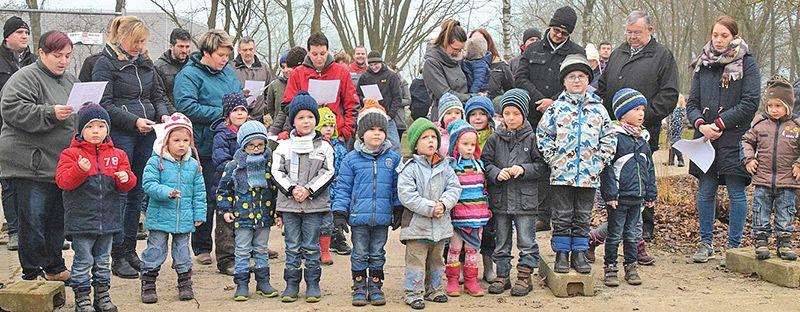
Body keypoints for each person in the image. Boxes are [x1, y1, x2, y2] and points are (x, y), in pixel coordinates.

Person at [92, 15, 170, 279]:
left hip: (147, 133)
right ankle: (116, 253)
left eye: (143, 41)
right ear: (121, 38)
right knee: (120, 193)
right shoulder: (105, 64)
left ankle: (129, 248)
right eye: (135, 41)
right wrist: (134, 121)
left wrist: (164, 116)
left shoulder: (146, 64)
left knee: (138, 191)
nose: (139, 46)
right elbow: (105, 103)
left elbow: (157, 96)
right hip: (122, 134)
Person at [0, 30, 76, 281]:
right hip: (30, 163)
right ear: (41, 53)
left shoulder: (69, 80)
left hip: (60, 164)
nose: (63, 61)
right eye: (57, 55)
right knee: (32, 220)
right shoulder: (24, 78)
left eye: (67, 56)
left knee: (57, 220)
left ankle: (54, 266)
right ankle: (32, 272)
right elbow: (12, 110)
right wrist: (50, 113)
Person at [597, 11, 679, 242]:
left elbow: (669, 94)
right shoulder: (618, 53)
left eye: (637, 32)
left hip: (644, 131)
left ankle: (643, 227)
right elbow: (603, 87)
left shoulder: (662, 56)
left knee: (641, 176)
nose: (632, 37)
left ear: (650, 31)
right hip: (614, 130)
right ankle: (614, 223)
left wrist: (645, 116)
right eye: (629, 32)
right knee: (615, 176)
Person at [686, 16, 760, 263]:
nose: (718, 40)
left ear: (734, 36)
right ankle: (705, 243)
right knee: (706, 190)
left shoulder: (747, 63)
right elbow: (692, 103)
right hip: (705, 139)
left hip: (735, 137)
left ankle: (734, 247)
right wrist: (701, 125)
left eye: (724, 36)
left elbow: (750, 102)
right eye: (715, 35)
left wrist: (720, 123)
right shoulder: (702, 64)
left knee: (735, 190)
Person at [537, 54, 616, 275]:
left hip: (589, 175)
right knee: (562, 215)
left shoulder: (598, 109)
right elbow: (543, 135)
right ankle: (562, 253)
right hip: (562, 174)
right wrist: (553, 158)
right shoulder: (555, 109)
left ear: (587, 80)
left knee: (582, 214)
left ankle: (579, 253)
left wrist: (600, 160)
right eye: (571, 76)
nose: (576, 80)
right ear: (564, 81)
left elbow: (609, 136)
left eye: (581, 76)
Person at [55, 103, 136, 312]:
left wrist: (125, 178)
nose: (95, 131)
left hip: (109, 220)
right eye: (90, 127)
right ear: (81, 130)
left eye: (101, 126)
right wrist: (79, 170)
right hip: (81, 220)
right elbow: (63, 181)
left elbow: (129, 183)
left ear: (107, 129)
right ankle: (82, 300)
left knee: (102, 261)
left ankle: (102, 297)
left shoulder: (118, 155)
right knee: (83, 261)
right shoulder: (70, 154)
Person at [173, 29, 242, 271]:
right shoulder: (189, 75)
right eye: (220, 55)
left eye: (227, 55)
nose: (224, 59)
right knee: (205, 196)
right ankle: (202, 246)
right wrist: (223, 115)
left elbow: (235, 99)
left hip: (229, 143)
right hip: (202, 144)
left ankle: (235, 245)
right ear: (206, 53)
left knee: (230, 195)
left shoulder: (229, 74)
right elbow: (186, 106)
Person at [332, 102, 401, 306]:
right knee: (360, 252)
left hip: (382, 217)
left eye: (381, 130)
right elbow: (343, 188)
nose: (377, 134)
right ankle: (359, 286)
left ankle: (376, 286)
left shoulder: (392, 159)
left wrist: (398, 208)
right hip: (358, 217)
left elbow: (397, 187)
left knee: (378, 252)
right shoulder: (351, 160)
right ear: (362, 133)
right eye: (371, 129)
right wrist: (339, 212)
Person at [271, 91, 335, 303]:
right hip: (289, 206)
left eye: (309, 117)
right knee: (292, 245)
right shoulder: (283, 146)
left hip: (313, 206)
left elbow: (328, 171)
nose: (305, 121)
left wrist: (308, 189)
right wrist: (291, 189)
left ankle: (313, 283)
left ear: (315, 120)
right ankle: (291, 284)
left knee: (311, 245)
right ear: (293, 121)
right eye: (300, 117)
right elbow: (276, 172)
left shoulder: (324, 146)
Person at [482, 89, 546, 296]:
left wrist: (524, 169)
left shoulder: (532, 138)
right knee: (501, 241)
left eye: (516, 113)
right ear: (502, 115)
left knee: (527, 241)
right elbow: (485, 163)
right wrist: (495, 173)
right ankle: (502, 276)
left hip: (525, 201)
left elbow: (542, 166)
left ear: (524, 115)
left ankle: (524, 277)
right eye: (507, 113)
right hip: (500, 200)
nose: (511, 118)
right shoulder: (494, 139)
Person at [140, 113, 206, 303]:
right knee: (156, 249)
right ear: (166, 140)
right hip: (160, 216)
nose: (181, 144)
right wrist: (166, 191)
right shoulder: (155, 161)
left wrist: (199, 213)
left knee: (183, 251)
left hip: (184, 216)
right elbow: (148, 184)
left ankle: (185, 283)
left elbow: (199, 191)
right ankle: (148, 282)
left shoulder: (194, 165)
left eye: (186, 140)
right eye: (176, 140)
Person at [398, 118, 461, 310]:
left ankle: (434, 289)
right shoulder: (409, 168)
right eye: (425, 137)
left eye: (434, 137)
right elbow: (407, 195)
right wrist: (430, 207)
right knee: (416, 260)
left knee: (437, 259)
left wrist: (444, 204)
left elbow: (454, 188)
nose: (431, 141)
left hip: (440, 225)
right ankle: (413, 292)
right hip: (417, 226)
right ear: (416, 144)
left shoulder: (446, 167)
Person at [217, 120, 281, 300]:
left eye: (260, 145)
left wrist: (277, 213)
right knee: (242, 250)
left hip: (263, 216)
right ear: (243, 145)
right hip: (242, 216)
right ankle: (242, 284)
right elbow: (223, 189)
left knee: (261, 249)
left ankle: (263, 283)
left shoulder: (269, 165)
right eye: (251, 145)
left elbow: (275, 191)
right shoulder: (234, 166)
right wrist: (225, 209)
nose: (256, 149)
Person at [600, 88, 657, 287]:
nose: (641, 113)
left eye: (642, 109)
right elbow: (607, 169)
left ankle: (631, 267)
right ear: (622, 113)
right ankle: (610, 267)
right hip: (618, 197)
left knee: (633, 234)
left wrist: (650, 192)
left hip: (637, 197)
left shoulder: (643, 139)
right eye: (636, 109)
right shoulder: (614, 138)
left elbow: (649, 168)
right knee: (614, 234)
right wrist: (610, 193)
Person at [742, 76, 798, 261]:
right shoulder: (759, 124)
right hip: (763, 179)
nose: (773, 110)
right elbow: (746, 141)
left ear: (788, 106)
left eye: (778, 106)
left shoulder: (796, 127)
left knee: (785, 211)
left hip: (788, 180)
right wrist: (749, 159)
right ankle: (761, 240)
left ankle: (784, 241)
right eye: (770, 105)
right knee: (761, 210)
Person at [443, 120, 491, 297]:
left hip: (477, 217)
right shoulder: (451, 167)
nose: (470, 148)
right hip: (458, 218)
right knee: (455, 249)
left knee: (472, 250)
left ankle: (471, 281)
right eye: (465, 144)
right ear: (456, 144)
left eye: (473, 144)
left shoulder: (480, 165)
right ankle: (452, 280)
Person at [282, 33, 357, 143]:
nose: (319, 58)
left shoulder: (341, 72)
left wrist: (345, 132)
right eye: (314, 54)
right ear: (308, 52)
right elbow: (287, 104)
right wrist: (306, 106)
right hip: (306, 135)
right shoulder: (297, 74)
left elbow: (352, 105)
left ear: (328, 51)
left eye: (322, 53)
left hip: (335, 134)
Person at [0, 15, 35, 252]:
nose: (24, 36)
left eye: (26, 33)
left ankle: (35, 232)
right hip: (4, 128)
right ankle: (14, 230)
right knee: (9, 181)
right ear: (7, 36)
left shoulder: (35, 61)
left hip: (30, 128)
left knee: (32, 182)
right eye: (19, 33)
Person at [315, 106, 351, 264]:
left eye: (331, 126)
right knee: (318, 219)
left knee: (335, 216)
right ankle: (314, 246)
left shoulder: (340, 148)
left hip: (336, 188)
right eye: (324, 125)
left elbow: (345, 167)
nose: (328, 129)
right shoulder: (314, 147)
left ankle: (337, 239)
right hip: (319, 189)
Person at [356, 51, 403, 154]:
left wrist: (390, 115)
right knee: (366, 143)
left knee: (395, 144)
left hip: (387, 117)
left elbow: (397, 98)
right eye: (371, 65)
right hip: (370, 115)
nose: (374, 67)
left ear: (381, 62)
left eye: (376, 64)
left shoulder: (391, 76)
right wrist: (363, 100)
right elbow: (358, 94)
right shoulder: (364, 77)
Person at [423, 19, 469, 121]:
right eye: (455, 49)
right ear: (445, 42)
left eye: (460, 49)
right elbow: (444, 94)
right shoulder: (431, 63)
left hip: (461, 112)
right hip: (443, 114)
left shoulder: (457, 61)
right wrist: (470, 98)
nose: (458, 52)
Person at [266, 47, 307, 135]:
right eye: (283, 67)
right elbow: (282, 108)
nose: (287, 70)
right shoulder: (276, 85)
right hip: (288, 129)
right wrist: (273, 130)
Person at [233, 36, 273, 123]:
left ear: (255, 49)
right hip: (237, 118)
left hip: (258, 117)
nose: (248, 53)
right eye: (245, 50)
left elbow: (269, 93)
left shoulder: (264, 68)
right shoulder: (232, 69)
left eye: (250, 49)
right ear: (239, 51)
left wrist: (263, 107)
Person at [154, 28, 192, 114]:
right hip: (171, 115)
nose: (184, 51)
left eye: (187, 47)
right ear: (171, 46)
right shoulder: (159, 67)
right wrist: (175, 114)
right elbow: (161, 96)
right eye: (181, 46)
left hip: (191, 113)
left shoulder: (192, 65)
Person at [470, 29, 514, 100]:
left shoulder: (500, 65)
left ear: (487, 42)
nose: (476, 42)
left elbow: (511, 91)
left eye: (480, 39)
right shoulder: (464, 65)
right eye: (473, 39)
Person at [387, 62, 411, 140]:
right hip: (387, 119)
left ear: (396, 70)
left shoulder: (402, 82)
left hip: (399, 120)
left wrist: (394, 101)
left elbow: (408, 100)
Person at [666, 94, 686, 166]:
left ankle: (681, 159)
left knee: (675, 143)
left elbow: (677, 121)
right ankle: (671, 161)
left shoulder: (680, 110)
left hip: (676, 129)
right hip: (671, 129)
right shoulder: (674, 110)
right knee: (672, 144)